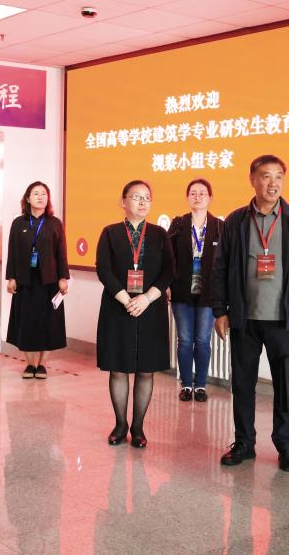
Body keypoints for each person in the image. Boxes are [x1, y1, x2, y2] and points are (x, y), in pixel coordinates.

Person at [210, 155, 289, 471]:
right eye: (266, 176)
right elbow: (220, 268)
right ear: (252, 179)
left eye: (278, 177)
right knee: (242, 385)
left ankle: (286, 447)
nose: (273, 183)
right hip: (244, 318)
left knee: (286, 386)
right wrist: (220, 311)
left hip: (284, 320)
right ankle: (244, 443)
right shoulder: (236, 221)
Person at [95, 180, 175, 448]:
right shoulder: (110, 232)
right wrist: (126, 299)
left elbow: (169, 270)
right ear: (123, 201)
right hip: (117, 307)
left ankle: (138, 427)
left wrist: (147, 298)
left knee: (146, 370)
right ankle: (120, 425)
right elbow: (103, 269)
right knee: (118, 369)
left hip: (150, 308)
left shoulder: (160, 234)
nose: (142, 202)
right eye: (136, 197)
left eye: (147, 198)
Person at [5, 181, 70, 379]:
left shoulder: (55, 223)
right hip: (25, 281)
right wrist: (11, 277)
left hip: (49, 281)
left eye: (44, 194)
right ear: (27, 198)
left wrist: (63, 277)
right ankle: (29, 364)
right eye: (36, 193)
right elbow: (12, 252)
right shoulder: (19, 223)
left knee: (48, 323)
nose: (40, 197)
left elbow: (61, 253)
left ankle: (42, 365)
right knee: (27, 323)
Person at [166, 178, 223, 403]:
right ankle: (186, 385)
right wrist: (167, 285)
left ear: (210, 197)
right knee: (184, 340)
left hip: (208, 293)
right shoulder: (178, 224)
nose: (197, 196)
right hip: (181, 291)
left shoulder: (220, 227)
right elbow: (168, 258)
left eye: (202, 193)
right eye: (193, 193)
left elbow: (225, 263)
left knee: (202, 340)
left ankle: (200, 385)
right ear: (187, 197)